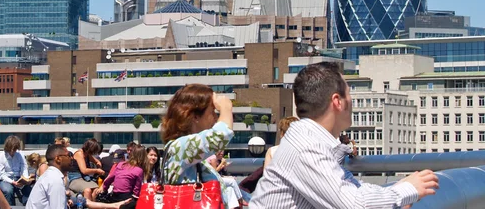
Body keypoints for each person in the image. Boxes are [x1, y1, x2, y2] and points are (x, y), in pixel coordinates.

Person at [250, 62, 439, 208]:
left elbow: (352, 187)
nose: (352, 101)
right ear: (337, 101)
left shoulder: (309, 138)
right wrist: (407, 190)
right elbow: (354, 204)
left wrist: (396, 188)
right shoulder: (306, 145)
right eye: (349, 94)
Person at [161, 84, 234, 207]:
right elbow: (220, 136)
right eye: (212, 112)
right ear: (195, 116)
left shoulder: (190, 153)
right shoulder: (179, 147)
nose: (216, 118)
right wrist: (226, 108)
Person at [94, 144, 146, 208]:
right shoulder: (139, 170)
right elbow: (136, 190)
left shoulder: (120, 164)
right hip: (126, 197)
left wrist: (104, 188)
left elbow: (110, 178)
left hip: (115, 195)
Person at [0, 135, 33, 205]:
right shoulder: (0, 157)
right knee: (8, 190)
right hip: (5, 180)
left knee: (29, 190)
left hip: (18, 178)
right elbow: (1, 175)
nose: (12, 152)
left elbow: (24, 167)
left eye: (14, 150)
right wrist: (13, 182)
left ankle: (27, 205)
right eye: (10, 150)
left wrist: (25, 179)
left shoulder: (20, 154)